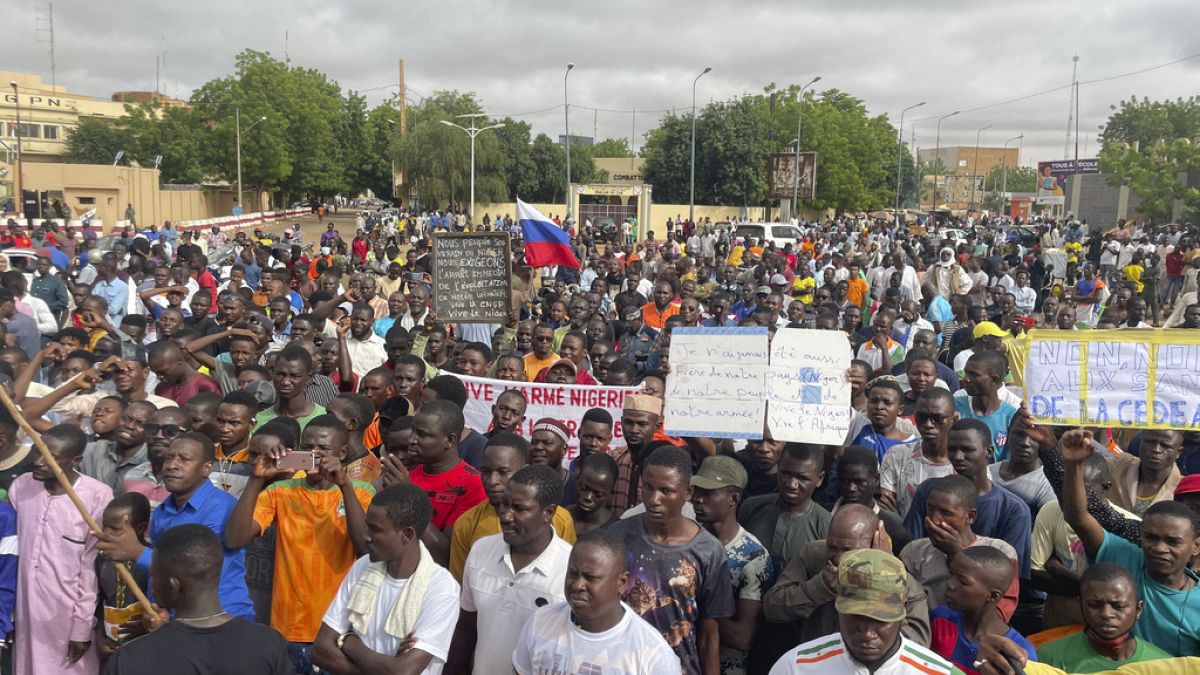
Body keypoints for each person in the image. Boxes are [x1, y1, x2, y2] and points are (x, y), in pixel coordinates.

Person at [224, 415, 375, 672]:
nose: (314, 454)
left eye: (323, 449)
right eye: (308, 447)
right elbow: (234, 538)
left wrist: (344, 484)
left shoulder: (361, 491)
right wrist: (256, 479)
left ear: (343, 452)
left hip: (337, 630)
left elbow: (365, 547)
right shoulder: (281, 490)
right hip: (287, 628)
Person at [1058, 428, 1200, 656]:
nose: (1160, 548)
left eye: (1173, 541)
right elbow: (1078, 518)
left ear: (1195, 546)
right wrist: (1073, 465)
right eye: (1151, 537)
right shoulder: (1124, 557)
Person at [97, 431, 256, 620]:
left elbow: (200, 569)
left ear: (206, 468)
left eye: (184, 459)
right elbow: (157, 578)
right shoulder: (164, 509)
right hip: (176, 618)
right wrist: (155, 610)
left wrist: (137, 552)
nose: (172, 465)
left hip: (220, 619)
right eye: (169, 458)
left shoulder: (222, 508)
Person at [608, 447, 735, 675]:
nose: (654, 499)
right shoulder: (617, 537)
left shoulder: (708, 551)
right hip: (619, 666)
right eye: (648, 487)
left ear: (687, 492)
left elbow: (709, 633)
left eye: (666, 491)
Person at [99, 524, 290, 675]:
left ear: (173, 586)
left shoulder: (130, 659)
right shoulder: (268, 644)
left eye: (154, 576)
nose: (152, 583)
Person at [314, 483, 461, 675]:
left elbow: (404, 671)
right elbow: (320, 650)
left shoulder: (441, 587)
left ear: (406, 535)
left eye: (375, 529)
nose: (365, 537)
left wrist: (348, 642)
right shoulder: (363, 566)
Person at [447, 465, 572, 675]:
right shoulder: (481, 550)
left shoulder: (570, 569)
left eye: (519, 509)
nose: (505, 516)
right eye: (504, 506)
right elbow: (466, 630)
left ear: (548, 513)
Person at [11, 424, 112, 675]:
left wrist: (81, 628)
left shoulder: (97, 496)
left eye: (52, 457)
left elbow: (91, 569)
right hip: (25, 613)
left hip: (67, 617)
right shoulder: (21, 487)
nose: (39, 461)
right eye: (38, 451)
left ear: (75, 460)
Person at [767, 548, 963, 675]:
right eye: (855, 617)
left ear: (902, 610)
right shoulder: (795, 667)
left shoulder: (940, 673)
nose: (868, 634)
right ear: (838, 606)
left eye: (881, 620)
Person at [512, 528, 680, 675]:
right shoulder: (540, 622)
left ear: (621, 583)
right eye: (572, 574)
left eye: (590, 578)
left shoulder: (652, 654)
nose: (578, 585)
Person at [904, 419, 1031, 586]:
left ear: (989, 452)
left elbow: (1008, 578)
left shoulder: (1013, 509)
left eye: (967, 450)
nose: (958, 457)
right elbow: (913, 547)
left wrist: (957, 553)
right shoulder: (929, 491)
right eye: (952, 449)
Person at [448, 433, 576, 581]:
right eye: (486, 472)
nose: (492, 481)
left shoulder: (560, 520)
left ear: (523, 470)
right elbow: (460, 585)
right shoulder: (467, 523)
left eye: (502, 472)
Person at [689, 455, 774, 675]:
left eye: (708, 493)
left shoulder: (753, 556)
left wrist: (688, 604)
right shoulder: (686, 542)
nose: (698, 499)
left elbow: (742, 637)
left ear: (733, 499)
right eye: (696, 491)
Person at [900, 475, 1020, 615]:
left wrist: (957, 554)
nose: (934, 519)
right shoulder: (914, 551)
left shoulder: (1001, 552)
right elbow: (901, 605)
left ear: (970, 517)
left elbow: (1000, 615)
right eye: (930, 509)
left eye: (946, 513)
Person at [1036, 562, 1173, 672]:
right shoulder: (1049, 657)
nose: (1106, 614)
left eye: (1118, 606)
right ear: (1081, 605)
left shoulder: (1164, 666)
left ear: (1138, 609)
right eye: (1094, 605)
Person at [929, 546, 1036, 673]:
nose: (950, 584)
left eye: (962, 581)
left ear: (993, 596)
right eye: (951, 574)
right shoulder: (939, 619)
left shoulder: (1017, 650)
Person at [738, 442, 832, 571]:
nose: (791, 484)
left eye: (802, 478)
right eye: (785, 473)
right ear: (777, 468)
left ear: (819, 479)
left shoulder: (827, 526)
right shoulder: (750, 508)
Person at [953, 350, 1020, 461]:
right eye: (966, 373)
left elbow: (1010, 463)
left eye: (974, 375)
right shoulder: (954, 407)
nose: (966, 379)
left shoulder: (1011, 416)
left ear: (994, 380)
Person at [566, 451, 619, 535]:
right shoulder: (559, 516)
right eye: (583, 488)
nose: (588, 497)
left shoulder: (616, 530)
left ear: (610, 492)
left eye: (598, 494)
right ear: (577, 479)